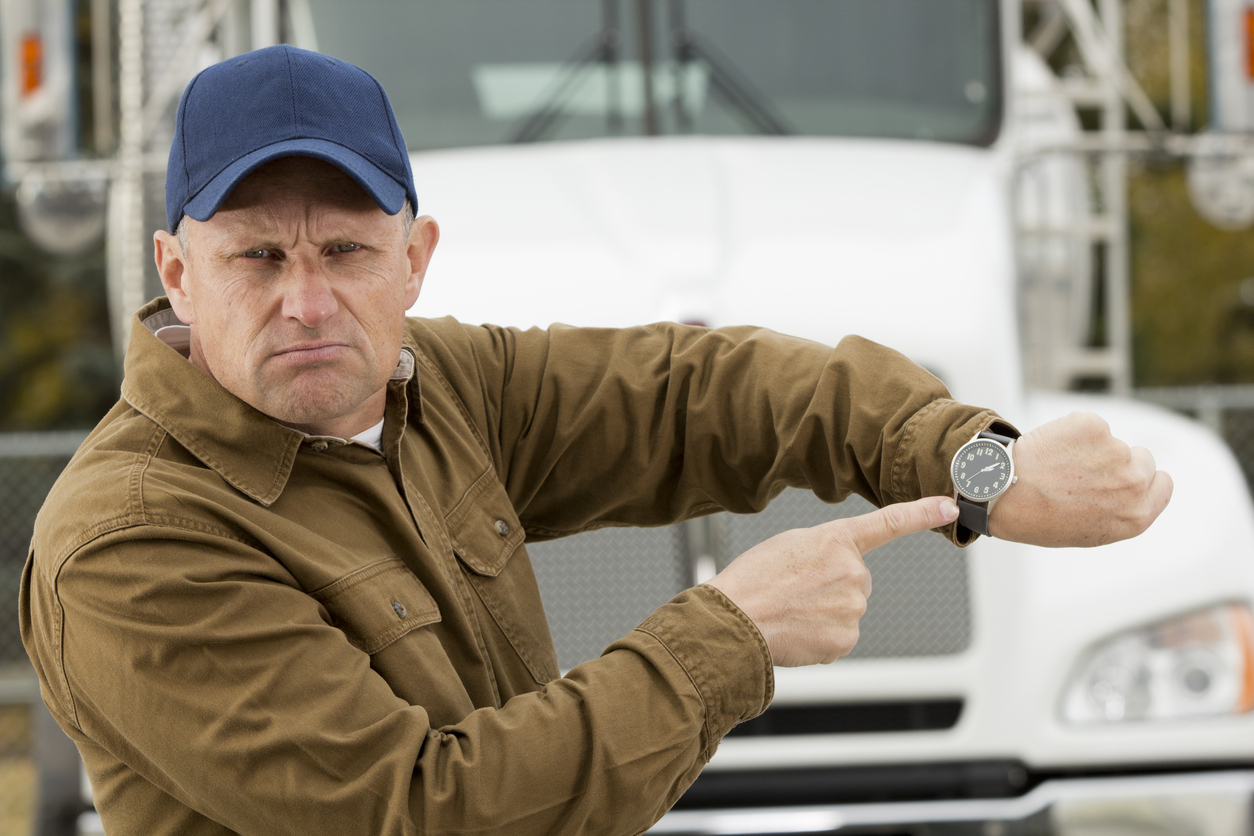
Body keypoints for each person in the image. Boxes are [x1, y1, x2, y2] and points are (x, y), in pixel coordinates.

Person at [20, 45, 1172, 836]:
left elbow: (697, 390)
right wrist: (734, 633)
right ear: (176, 268)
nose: (308, 302)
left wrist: (979, 462)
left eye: (347, 253)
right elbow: (425, 812)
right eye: (257, 256)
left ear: (415, 257)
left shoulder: (440, 381)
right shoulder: (130, 541)